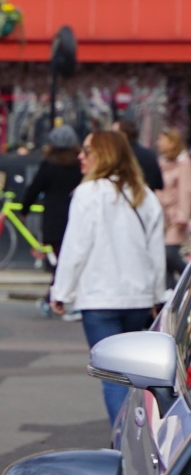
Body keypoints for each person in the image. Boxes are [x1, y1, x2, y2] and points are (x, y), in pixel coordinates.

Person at [50, 130, 164, 425]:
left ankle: (124, 444)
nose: (80, 156)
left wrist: (61, 291)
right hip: (138, 298)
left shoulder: (88, 193)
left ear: (104, 154)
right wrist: (155, 296)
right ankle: (137, 437)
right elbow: (155, 253)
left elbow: (76, 246)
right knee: (132, 378)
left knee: (112, 377)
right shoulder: (145, 195)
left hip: (100, 297)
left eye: (87, 151)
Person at [22, 126, 85, 317]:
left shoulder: (48, 165)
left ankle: (53, 298)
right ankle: (55, 297)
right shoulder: (79, 165)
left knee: (60, 262)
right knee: (70, 262)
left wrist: (24, 209)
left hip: (54, 221)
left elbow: (34, 188)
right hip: (76, 218)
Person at [155, 127, 191, 289]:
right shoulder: (162, 162)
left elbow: (186, 190)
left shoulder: (184, 164)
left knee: (169, 253)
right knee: (163, 260)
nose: (158, 143)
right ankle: (170, 295)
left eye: (162, 139)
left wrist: (182, 216)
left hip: (175, 217)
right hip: (162, 218)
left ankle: (184, 284)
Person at [114, 119, 164, 192]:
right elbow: (159, 184)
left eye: (114, 133)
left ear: (123, 135)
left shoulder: (120, 156)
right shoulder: (150, 153)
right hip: (148, 197)